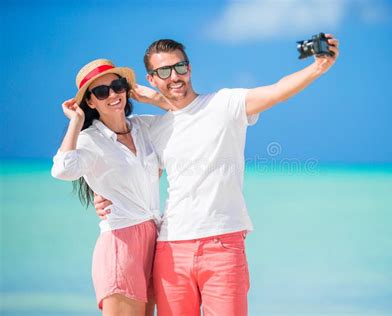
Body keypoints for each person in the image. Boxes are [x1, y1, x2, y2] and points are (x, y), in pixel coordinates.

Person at [95, 36, 339, 315]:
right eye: (164, 71)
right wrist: (101, 193)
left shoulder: (225, 104)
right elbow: (119, 160)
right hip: (170, 249)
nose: (174, 76)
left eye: (180, 67)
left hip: (223, 245)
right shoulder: (153, 129)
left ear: (190, 68)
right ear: (151, 79)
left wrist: (318, 67)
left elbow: (277, 90)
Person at [51, 59, 164, 316]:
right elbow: (62, 169)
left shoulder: (143, 128)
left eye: (118, 86)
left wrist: (155, 99)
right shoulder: (89, 140)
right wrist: (76, 121)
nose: (112, 94)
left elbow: (186, 120)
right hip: (121, 244)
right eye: (101, 92)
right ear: (90, 101)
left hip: (154, 239)